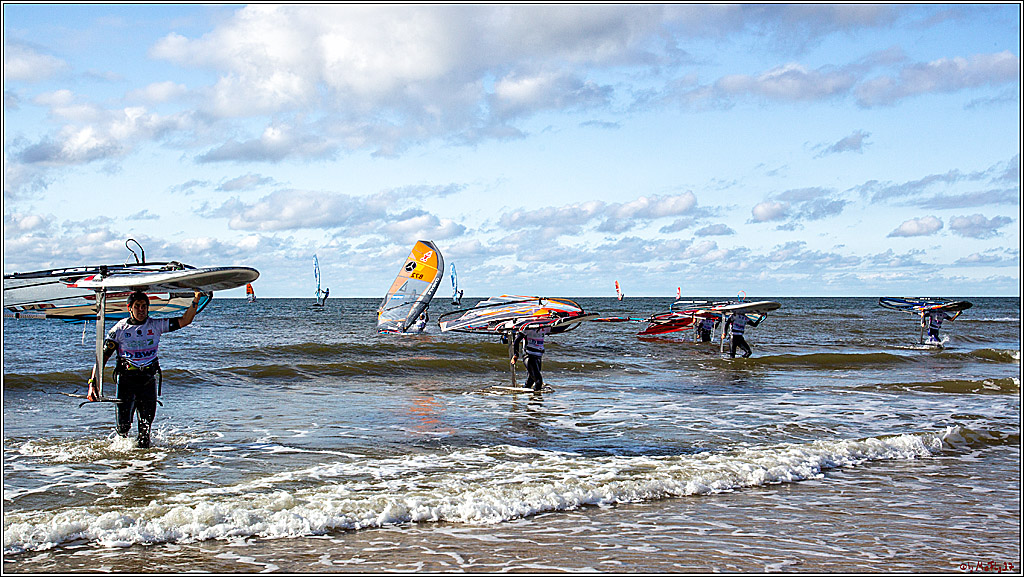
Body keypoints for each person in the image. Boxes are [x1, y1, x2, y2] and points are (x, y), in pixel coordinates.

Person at [87, 289, 204, 448]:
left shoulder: (155, 325)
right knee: (123, 428)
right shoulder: (119, 329)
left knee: (145, 429)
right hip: (126, 381)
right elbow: (102, 358)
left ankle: (145, 461)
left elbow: (185, 320)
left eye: (144, 306)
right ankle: (121, 460)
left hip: (147, 380)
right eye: (137, 306)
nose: (141, 310)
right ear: (130, 308)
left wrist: (196, 298)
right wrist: (92, 383)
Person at [511, 325, 552, 391]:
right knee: (538, 381)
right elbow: (516, 341)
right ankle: (537, 396)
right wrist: (516, 355)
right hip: (529, 355)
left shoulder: (545, 327)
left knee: (531, 380)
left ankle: (525, 394)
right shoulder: (528, 328)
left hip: (538, 356)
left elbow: (560, 328)